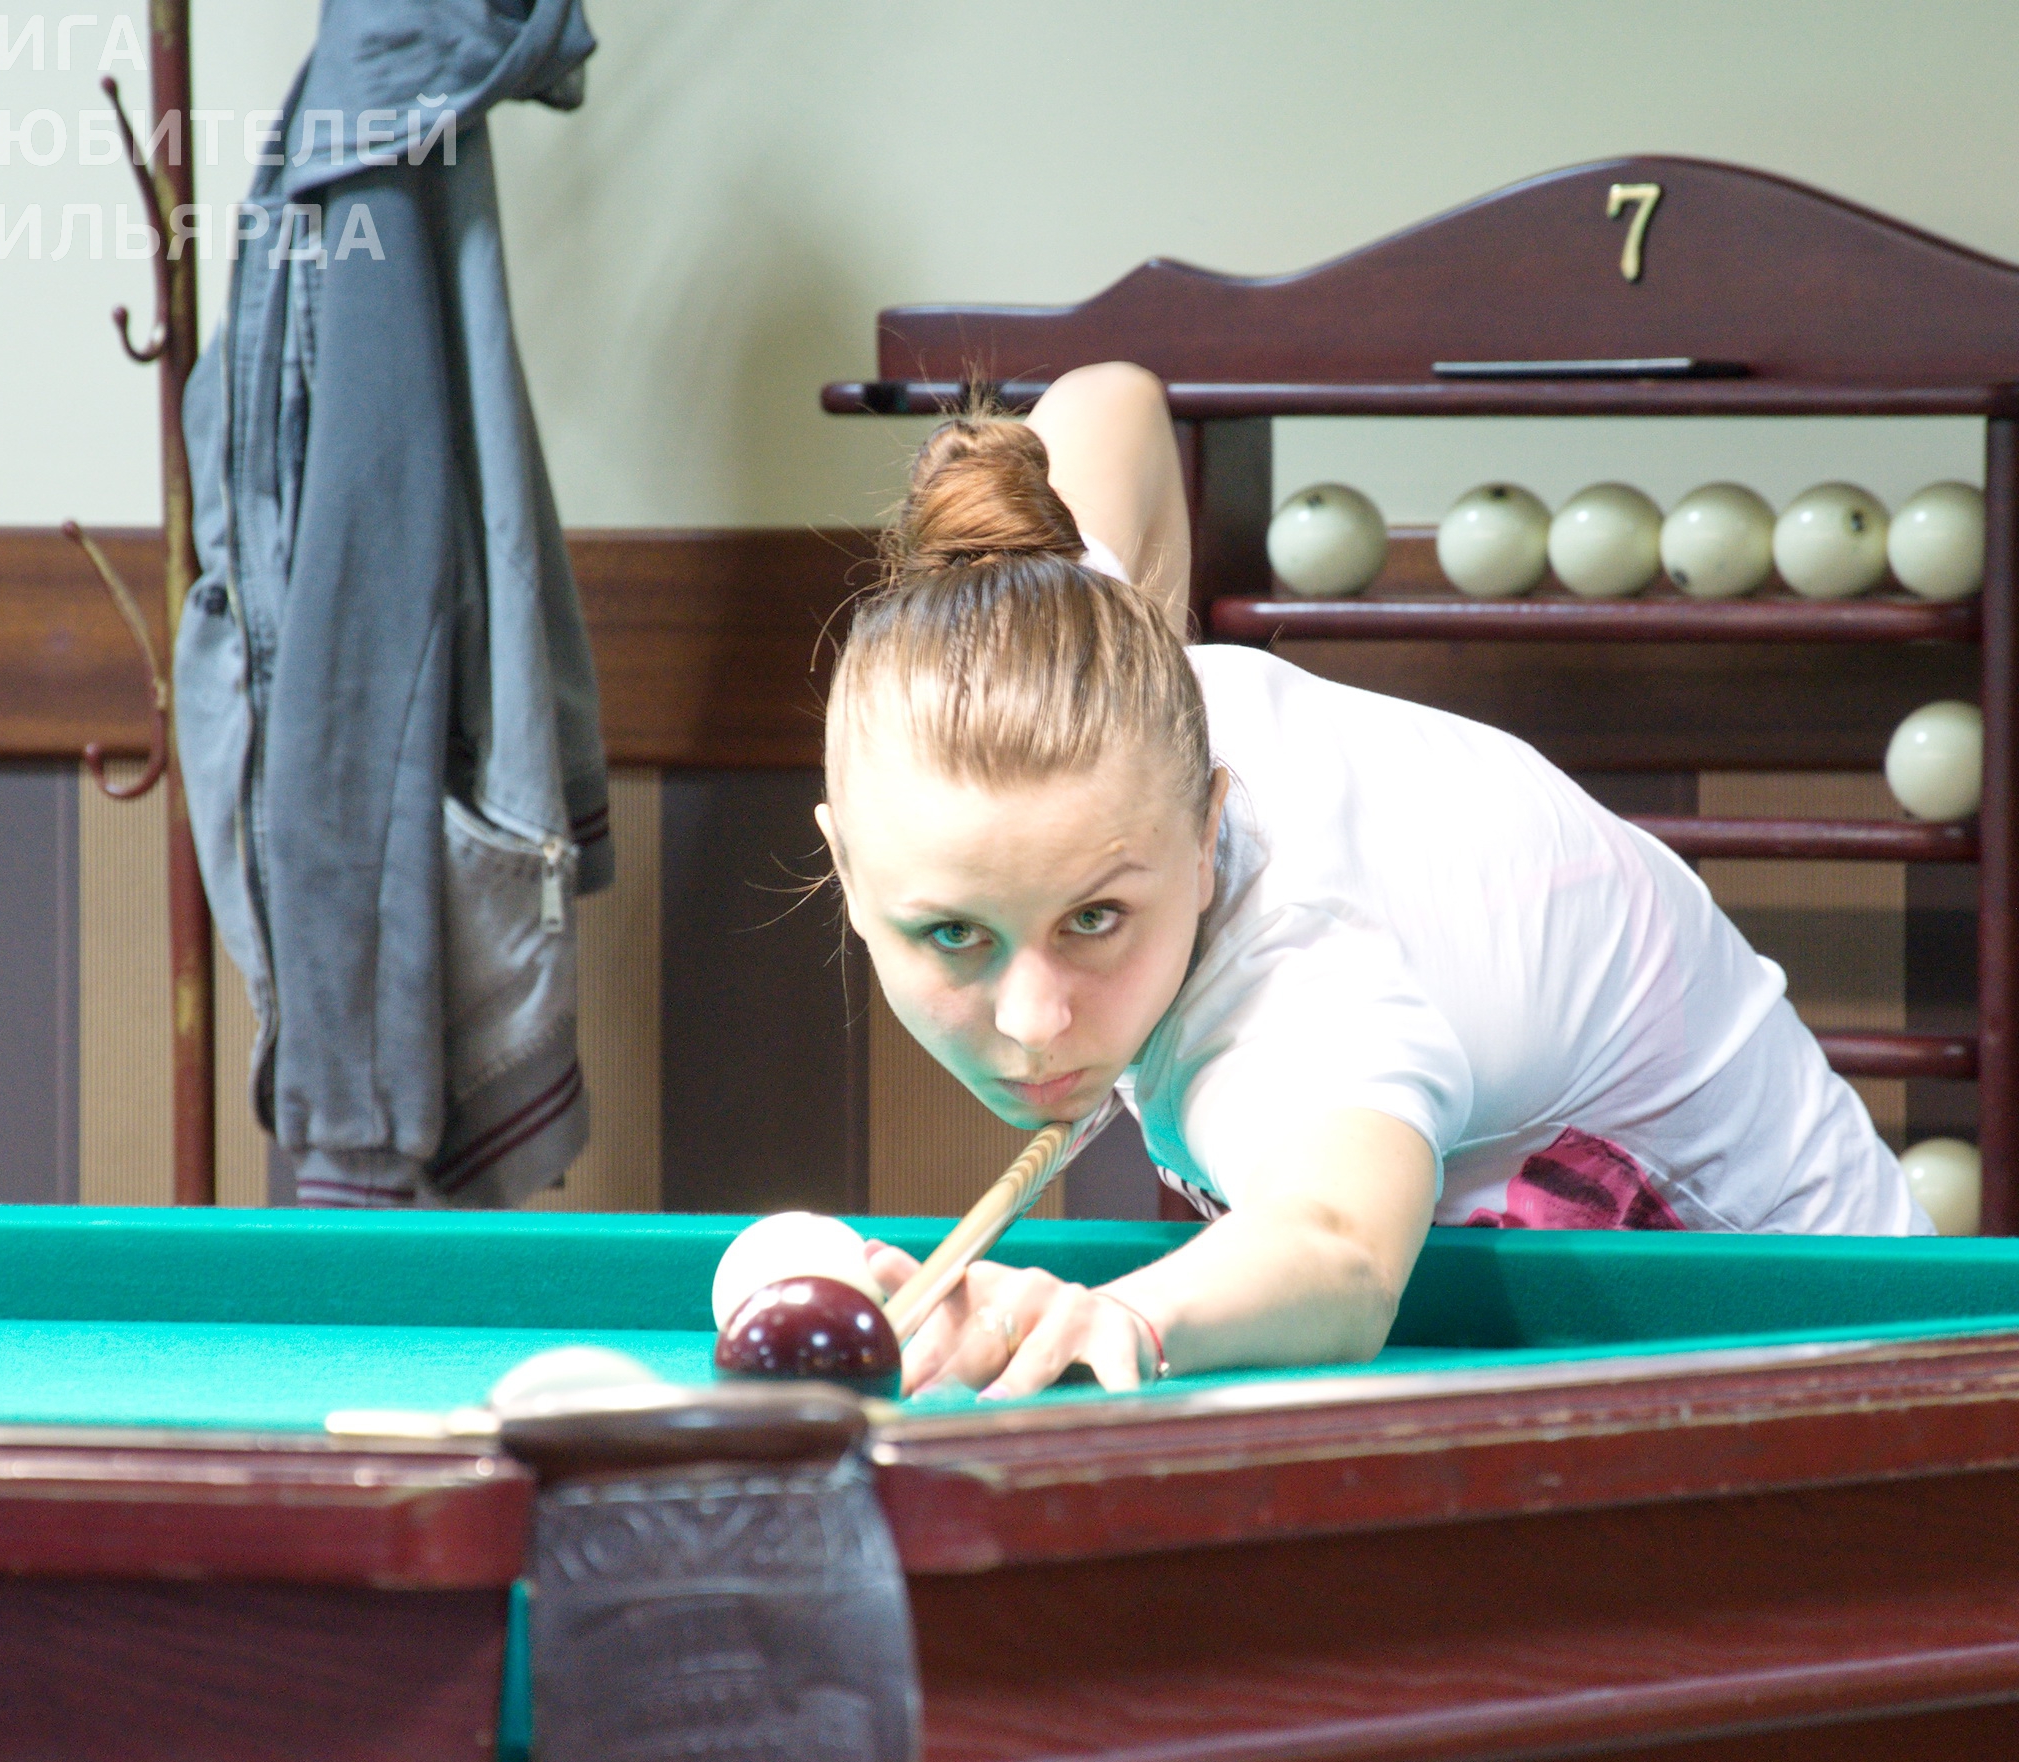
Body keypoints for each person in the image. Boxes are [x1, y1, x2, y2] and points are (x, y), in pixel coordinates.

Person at [821, 362, 1931, 1402]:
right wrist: (1133, 741)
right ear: (846, 869)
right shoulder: (1065, 650)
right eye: (954, 935)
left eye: (1095, 917)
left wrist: (1120, 1319)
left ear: (1206, 832)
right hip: (1561, 1353)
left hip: (1845, 1359)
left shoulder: (1305, 977)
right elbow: (1112, 399)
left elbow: (1338, 1250)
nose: (1033, 1022)